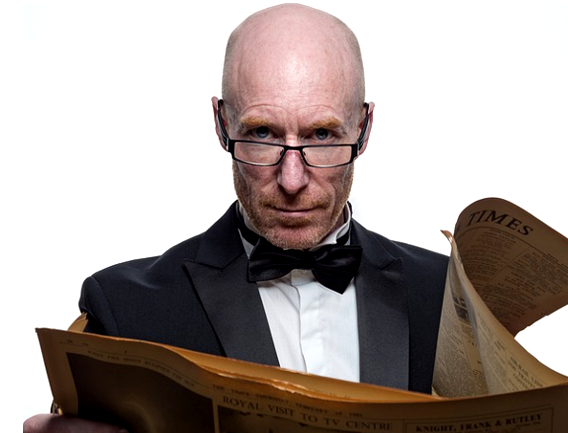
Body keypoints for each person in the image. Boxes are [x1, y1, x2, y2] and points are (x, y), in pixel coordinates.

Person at [24, 3, 448, 432]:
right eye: (262, 133)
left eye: (322, 135)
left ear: (364, 127)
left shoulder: (449, 297)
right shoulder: (125, 313)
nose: (292, 179)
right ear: (222, 122)